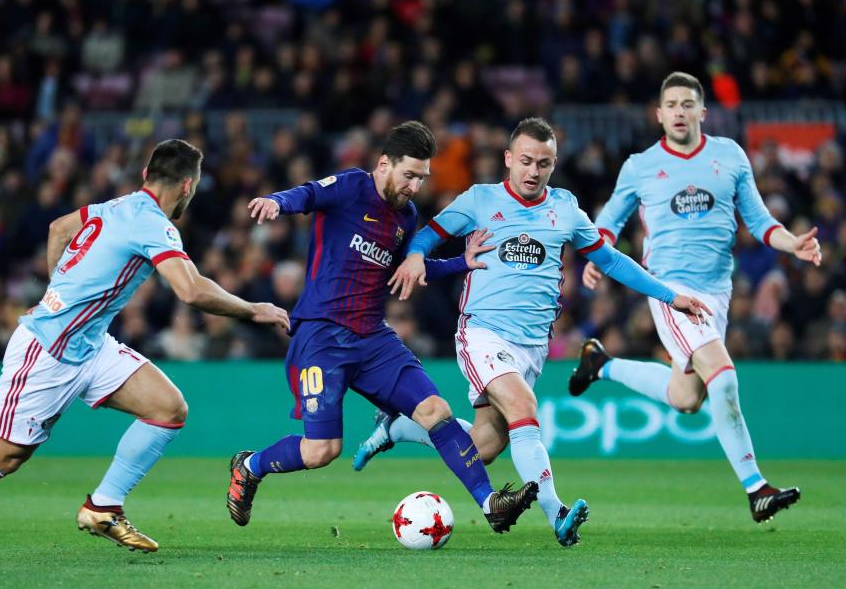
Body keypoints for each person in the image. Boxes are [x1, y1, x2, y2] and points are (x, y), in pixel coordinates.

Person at [0, 139, 290, 565]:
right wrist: (255, 309)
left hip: (91, 345)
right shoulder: (155, 224)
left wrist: (55, 291)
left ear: (145, 176)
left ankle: (104, 506)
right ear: (188, 186)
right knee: (6, 455)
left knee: (168, 408)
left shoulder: (117, 206)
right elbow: (190, 290)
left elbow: (59, 229)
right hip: (46, 351)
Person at [352, 117, 711, 547]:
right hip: (483, 333)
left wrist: (671, 296)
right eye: (525, 161)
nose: (533, 171)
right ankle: (557, 513)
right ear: (508, 159)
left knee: (482, 446)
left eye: (543, 163)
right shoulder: (480, 200)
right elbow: (428, 236)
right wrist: (413, 257)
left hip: (531, 346)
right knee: (524, 406)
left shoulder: (565, 209)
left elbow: (612, 260)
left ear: (553, 164)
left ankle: (396, 429)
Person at [226, 121, 540, 535]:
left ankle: (490, 504)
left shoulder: (406, 217)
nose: (414, 186)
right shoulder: (352, 186)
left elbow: (408, 267)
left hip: (374, 338)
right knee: (323, 450)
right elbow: (308, 194)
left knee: (436, 411)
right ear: (384, 164)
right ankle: (249, 466)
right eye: (409, 175)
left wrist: (461, 262)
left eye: (422, 178)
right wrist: (276, 202)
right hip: (322, 336)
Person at [568, 71, 820, 523]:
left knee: (687, 398)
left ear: (703, 112)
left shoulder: (730, 156)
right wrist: (596, 257)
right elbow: (606, 224)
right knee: (722, 377)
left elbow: (761, 223)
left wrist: (793, 243)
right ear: (659, 114)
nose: (680, 112)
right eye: (672, 105)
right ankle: (756, 488)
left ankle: (601, 364)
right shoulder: (640, 165)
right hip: (671, 290)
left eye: (688, 104)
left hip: (717, 292)